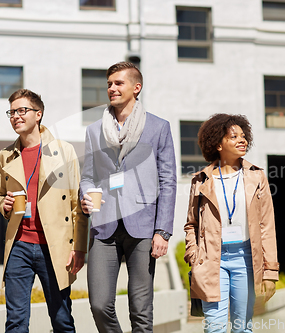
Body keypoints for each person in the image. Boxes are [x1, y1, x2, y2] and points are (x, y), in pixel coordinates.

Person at [80, 61, 177, 333]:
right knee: (99, 304)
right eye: (109, 84)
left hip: (144, 227)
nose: (111, 88)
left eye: (118, 83)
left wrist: (163, 231)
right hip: (104, 226)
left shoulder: (159, 127)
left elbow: (168, 181)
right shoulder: (94, 130)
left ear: (137, 87)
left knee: (141, 308)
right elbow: (87, 176)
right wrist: (87, 195)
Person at [0, 89, 88, 333]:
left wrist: (79, 247)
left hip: (54, 246)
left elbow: (77, 203)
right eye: (12, 112)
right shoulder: (6, 155)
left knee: (61, 319)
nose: (15, 116)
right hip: (19, 245)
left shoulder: (63, 151)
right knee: (15, 321)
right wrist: (2, 204)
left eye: (22, 110)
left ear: (39, 114)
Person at [184, 114, 278, 333]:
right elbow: (191, 224)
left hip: (245, 258)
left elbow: (267, 226)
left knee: (241, 327)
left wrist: (270, 271)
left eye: (243, 136)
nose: (241, 140)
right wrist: (194, 254)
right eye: (234, 136)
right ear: (218, 143)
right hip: (210, 259)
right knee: (214, 327)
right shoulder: (201, 180)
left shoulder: (257, 177)